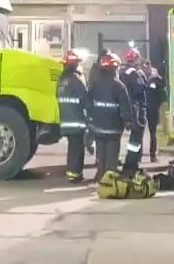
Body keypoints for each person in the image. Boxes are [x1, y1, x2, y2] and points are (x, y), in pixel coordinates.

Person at [89, 52, 133, 182]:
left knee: (101, 155)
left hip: (98, 127)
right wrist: (128, 122)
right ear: (114, 68)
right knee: (112, 156)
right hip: (113, 128)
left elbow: (89, 103)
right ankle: (111, 180)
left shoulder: (95, 84)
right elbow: (125, 106)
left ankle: (100, 177)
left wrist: (91, 120)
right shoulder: (119, 86)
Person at [56, 50, 91, 183]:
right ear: (75, 65)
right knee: (77, 148)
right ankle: (75, 174)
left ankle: (71, 172)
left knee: (72, 148)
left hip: (65, 121)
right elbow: (85, 99)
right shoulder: (76, 80)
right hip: (77, 121)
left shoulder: (61, 80)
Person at [120, 47, 148, 174]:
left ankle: (131, 162)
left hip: (127, 108)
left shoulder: (122, 73)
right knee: (136, 139)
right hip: (136, 109)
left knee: (133, 139)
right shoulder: (135, 74)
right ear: (135, 59)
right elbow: (139, 91)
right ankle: (132, 164)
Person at [142, 61, 165, 162]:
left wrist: (156, 105)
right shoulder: (140, 77)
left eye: (147, 68)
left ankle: (153, 155)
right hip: (143, 108)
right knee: (139, 133)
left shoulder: (156, 80)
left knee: (153, 133)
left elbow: (162, 96)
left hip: (152, 109)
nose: (146, 70)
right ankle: (138, 156)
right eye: (144, 68)